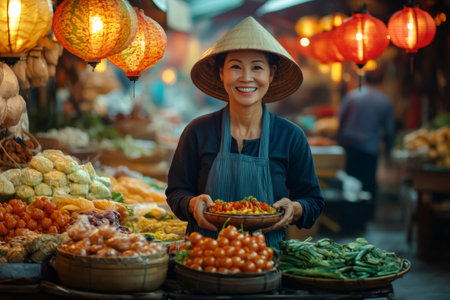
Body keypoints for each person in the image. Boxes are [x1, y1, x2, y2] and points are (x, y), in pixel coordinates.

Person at [166, 17, 324, 248]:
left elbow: (313, 201)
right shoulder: (198, 131)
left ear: (271, 73)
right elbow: (176, 192)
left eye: (257, 67)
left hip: (267, 261)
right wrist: (191, 204)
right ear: (222, 73)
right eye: (235, 66)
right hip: (204, 259)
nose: (246, 77)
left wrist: (295, 209)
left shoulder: (291, 136)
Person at [337, 69, 395, 217]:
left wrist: (339, 140)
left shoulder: (352, 97)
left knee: (351, 182)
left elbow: (341, 121)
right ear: (382, 81)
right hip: (370, 148)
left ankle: (350, 216)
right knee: (368, 184)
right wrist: (389, 151)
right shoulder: (385, 101)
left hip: (350, 146)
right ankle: (366, 216)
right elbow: (389, 130)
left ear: (365, 80)